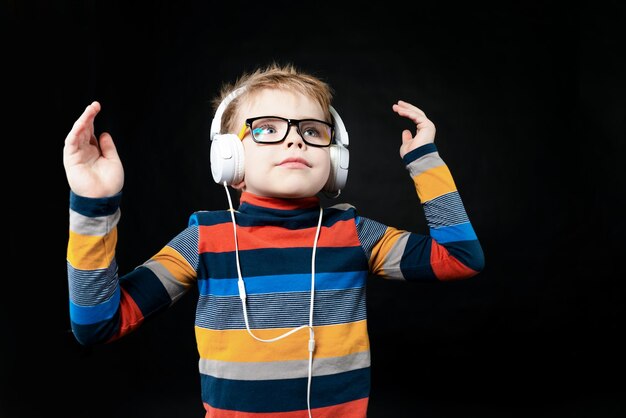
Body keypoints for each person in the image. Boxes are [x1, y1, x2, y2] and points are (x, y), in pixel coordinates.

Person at [64, 62, 484, 418]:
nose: (295, 138)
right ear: (229, 158)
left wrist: (423, 160)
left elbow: (461, 258)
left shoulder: (354, 232)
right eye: (266, 128)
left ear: (335, 160)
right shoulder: (205, 239)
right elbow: (97, 324)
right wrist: (94, 206)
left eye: (313, 131)